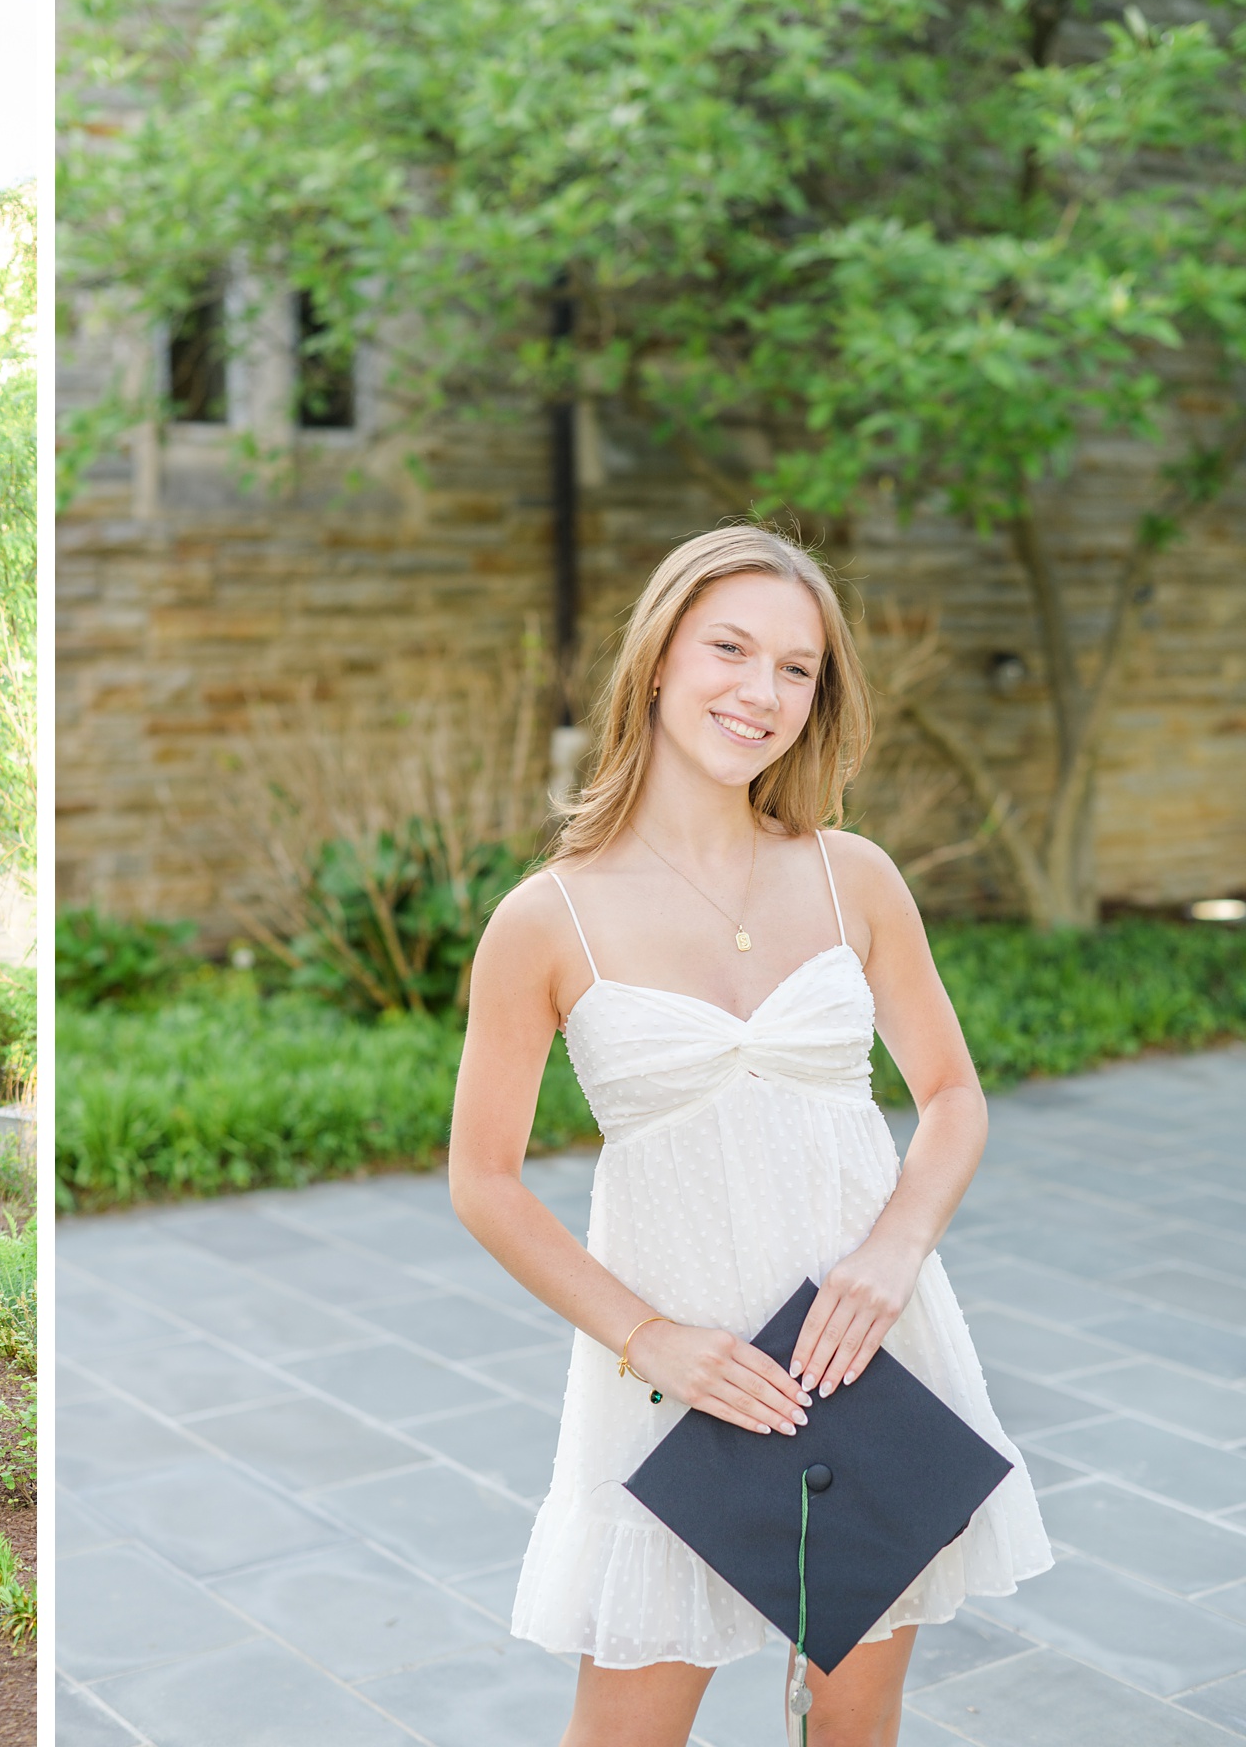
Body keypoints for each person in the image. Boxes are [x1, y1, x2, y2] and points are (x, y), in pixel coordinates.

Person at [447, 526, 1052, 1747]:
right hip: (684, 1366)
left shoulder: (854, 876)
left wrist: (892, 1257)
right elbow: (484, 1180)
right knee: (629, 1722)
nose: (761, 692)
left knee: (856, 1712)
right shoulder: (544, 918)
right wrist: (649, 1336)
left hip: (861, 1345)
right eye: (731, 648)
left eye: (797, 668)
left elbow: (951, 1098)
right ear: (660, 658)